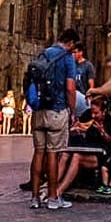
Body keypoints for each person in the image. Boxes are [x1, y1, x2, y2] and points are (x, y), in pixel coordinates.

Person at [26, 28, 82, 210]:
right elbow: (71, 88)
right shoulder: (67, 58)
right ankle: (52, 197)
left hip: (38, 110)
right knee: (53, 153)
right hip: (57, 110)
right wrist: (73, 111)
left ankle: (34, 197)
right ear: (71, 43)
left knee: (38, 152)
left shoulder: (44, 53)